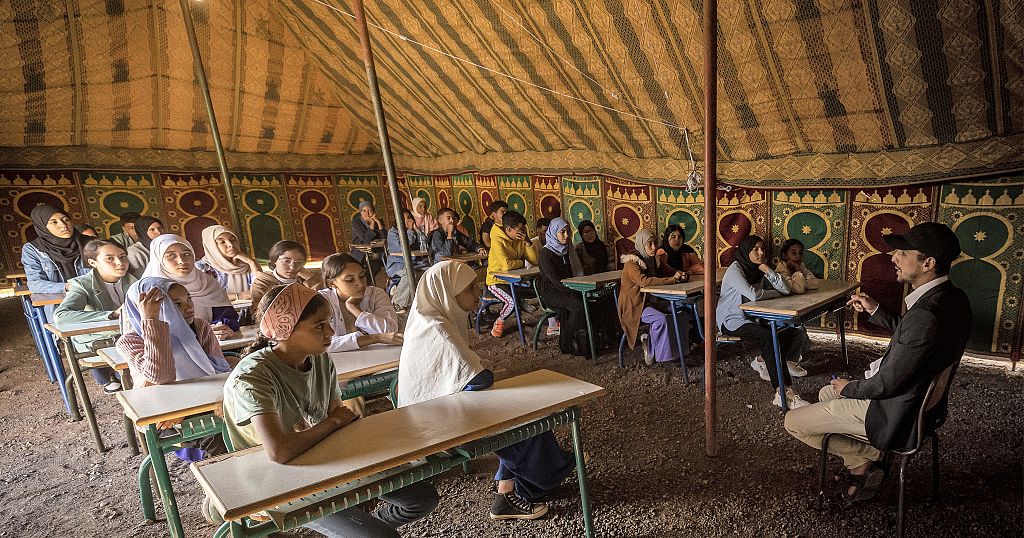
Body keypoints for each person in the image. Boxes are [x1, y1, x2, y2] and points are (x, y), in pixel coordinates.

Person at [221, 283, 438, 535]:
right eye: (319, 325)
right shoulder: (253, 377)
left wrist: (362, 460)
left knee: (422, 497)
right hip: (276, 480)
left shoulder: (319, 358)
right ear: (285, 329)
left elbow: (340, 417)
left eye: (329, 322)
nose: (331, 332)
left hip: (324, 460)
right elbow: (279, 451)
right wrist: (333, 423)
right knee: (380, 536)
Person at [785, 222, 971, 504]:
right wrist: (876, 310)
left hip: (895, 416)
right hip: (923, 408)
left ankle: (868, 458)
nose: (894, 258)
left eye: (903, 253)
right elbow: (916, 337)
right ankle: (862, 463)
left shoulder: (925, 315)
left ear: (928, 263)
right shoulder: (953, 299)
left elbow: (886, 383)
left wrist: (849, 388)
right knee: (825, 393)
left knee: (792, 421)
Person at [398, 261, 575, 520]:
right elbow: (477, 379)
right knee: (526, 420)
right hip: (433, 424)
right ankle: (539, 481)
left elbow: (461, 371)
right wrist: (488, 372)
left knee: (524, 410)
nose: (479, 291)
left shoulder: (436, 317)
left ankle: (514, 489)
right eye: (471, 287)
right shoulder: (434, 328)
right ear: (448, 291)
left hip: (443, 408)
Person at [717, 235, 809, 409]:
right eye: (755, 249)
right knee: (768, 337)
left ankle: (761, 360)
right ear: (745, 251)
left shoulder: (758, 268)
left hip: (753, 317)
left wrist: (768, 270)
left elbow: (786, 289)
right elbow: (754, 294)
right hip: (732, 320)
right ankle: (783, 392)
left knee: (792, 329)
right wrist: (774, 293)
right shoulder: (735, 270)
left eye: (763, 249)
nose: (761, 253)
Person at [117, 277, 235, 386]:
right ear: (144, 309)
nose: (189, 308)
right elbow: (161, 377)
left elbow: (220, 368)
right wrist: (151, 321)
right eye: (176, 304)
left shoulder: (200, 326)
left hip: (206, 392)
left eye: (189, 299)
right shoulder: (129, 342)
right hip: (160, 403)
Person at [54, 239, 137, 392]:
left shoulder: (135, 280)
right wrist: (111, 315)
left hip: (129, 339)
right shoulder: (82, 284)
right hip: (99, 342)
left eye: (123, 256)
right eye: (110, 258)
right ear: (93, 262)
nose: (119, 262)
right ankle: (109, 379)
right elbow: (62, 316)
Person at [143, 234, 241, 340]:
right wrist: (201, 333)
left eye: (186, 254)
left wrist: (223, 328)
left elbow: (226, 315)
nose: (182, 261)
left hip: (214, 347)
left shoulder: (208, 283)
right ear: (159, 259)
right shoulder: (150, 290)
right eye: (171, 256)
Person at [536, 218, 608, 356]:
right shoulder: (545, 254)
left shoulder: (567, 249)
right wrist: (577, 289)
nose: (566, 236)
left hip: (569, 288)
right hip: (552, 292)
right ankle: (567, 339)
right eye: (562, 232)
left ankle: (591, 342)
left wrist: (583, 287)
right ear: (553, 233)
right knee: (578, 306)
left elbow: (575, 273)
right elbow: (556, 281)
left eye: (568, 232)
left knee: (597, 302)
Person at [618, 230, 687, 365]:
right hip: (635, 305)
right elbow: (644, 281)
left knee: (681, 311)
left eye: (655, 243)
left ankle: (679, 352)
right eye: (649, 244)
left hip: (652, 302)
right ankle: (660, 355)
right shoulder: (631, 263)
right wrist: (672, 280)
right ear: (641, 244)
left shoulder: (654, 260)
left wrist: (681, 274)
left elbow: (670, 271)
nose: (654, 247)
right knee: (661, 319)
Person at [318, 253, 402, 352]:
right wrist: (375, 338)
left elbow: (390, 333)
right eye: (350, 280)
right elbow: (321, 344)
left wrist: (353, 308)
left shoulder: (376, 294)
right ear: (331, 283)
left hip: (377, 356)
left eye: (362, 276)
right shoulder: (322, 300)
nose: (360, 284)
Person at [22, 204, 90, 318]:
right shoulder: (32, 249)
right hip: (61, 307)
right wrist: (67, 286)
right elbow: (35, 284)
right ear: (42, 226)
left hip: (94, 300)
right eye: (54, 222)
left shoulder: (89, 243)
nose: (63, 225)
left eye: (66, 220)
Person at [485, 210, 537, 338]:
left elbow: (535, 261)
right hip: (496, 281)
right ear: (508, 229)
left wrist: (528, 242)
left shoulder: (520, 238)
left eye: (524, 229)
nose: (523, 232)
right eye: (520, 230)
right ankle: (499, 322)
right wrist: (521, 262)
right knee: (511, 302)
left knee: (541, 289)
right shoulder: (497, 240)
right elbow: (506, 266)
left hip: (514, 280)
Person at [250, 240, 322, 308]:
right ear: (275, 260)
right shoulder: (262, 283)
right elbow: (256, 311)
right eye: (286, 261)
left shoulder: (304, 280)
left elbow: (324, 303)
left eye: (299, 262)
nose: (292, 267)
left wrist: (311, 278)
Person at [196, 225, 260, 301]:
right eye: (222, 242)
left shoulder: (246, 264)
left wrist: (251, 262)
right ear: (211, 245)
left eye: (233, 240)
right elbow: (203, 296)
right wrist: (239, 296)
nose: (231, 245)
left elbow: (261, 290)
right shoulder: (201, 267)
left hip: (250, 311)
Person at [385, 209, 430, 310]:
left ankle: (420, 301)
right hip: (398, 264)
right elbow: (403, 247)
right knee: (409, 273)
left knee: (429, 270)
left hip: (415, 262)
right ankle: (397, 302)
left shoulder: (413, 230)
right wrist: (410, 231)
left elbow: (425, 243)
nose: (407, 220)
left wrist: (416, 230)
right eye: (403, 218)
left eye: (409, 218)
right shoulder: (393, 232)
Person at [350, 201, 386, 278]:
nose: (367, 213)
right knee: (373, 265)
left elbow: (384, 238)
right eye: (364, 211)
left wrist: (379, 223)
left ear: (374, 212)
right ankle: (367, 282)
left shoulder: (378, 221)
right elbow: (365, 240)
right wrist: (372, 224)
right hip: (360, 251)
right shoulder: (356, 223)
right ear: (360, 212)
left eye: (370, 211)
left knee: (381, 260)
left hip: (375, 251)